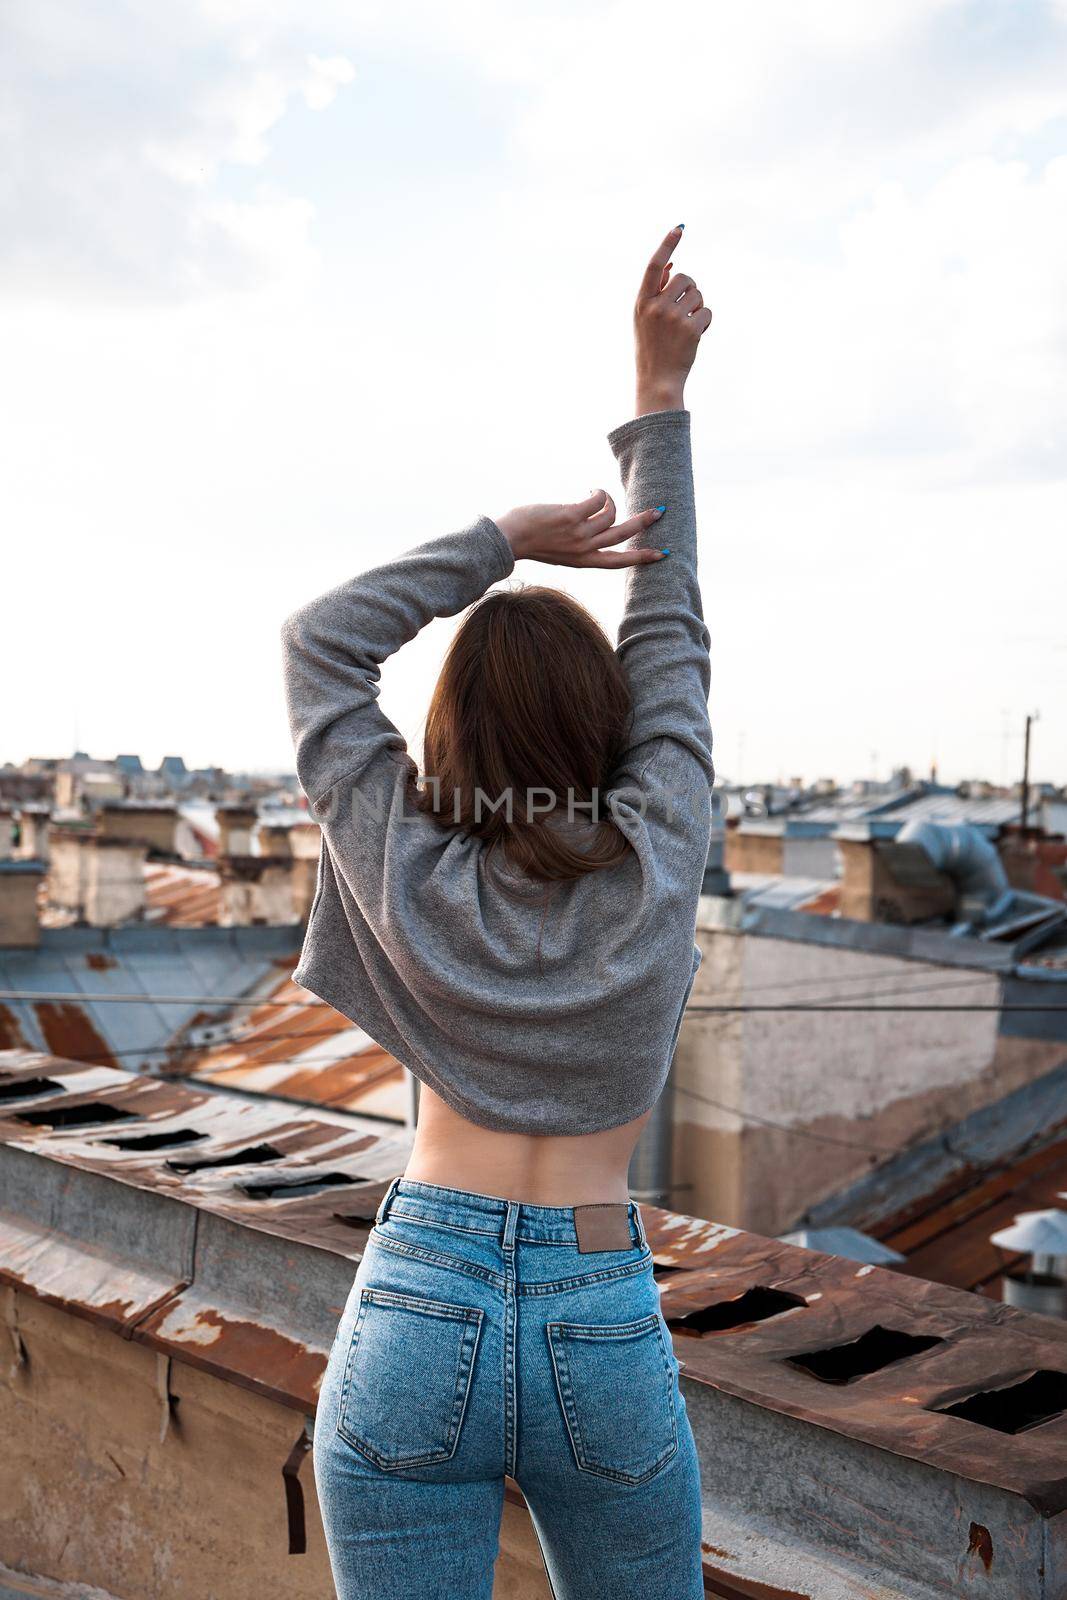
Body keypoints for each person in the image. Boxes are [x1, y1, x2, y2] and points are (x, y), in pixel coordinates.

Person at [281, 224, 713, 1600]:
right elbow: (672, 626)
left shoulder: (408, 863)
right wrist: (662, 400)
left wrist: (503, 542)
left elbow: (320, 645)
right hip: (601, 1302)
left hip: (420, 1290)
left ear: (451, 734)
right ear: (612, 733)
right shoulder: (655, 856)